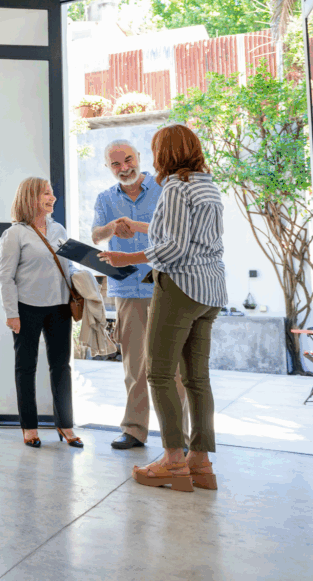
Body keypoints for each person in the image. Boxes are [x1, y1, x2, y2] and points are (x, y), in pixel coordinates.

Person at [100, 124, 226, 492]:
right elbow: (185, 235)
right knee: (197, 379)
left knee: (157, 373)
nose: (153, 158)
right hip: (210, 290)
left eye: (156, 150)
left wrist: (128, 255)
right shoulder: (207, 184)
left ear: (166, 152)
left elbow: (170, 249)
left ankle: (172, 460)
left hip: (180, 287)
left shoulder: (174, 186)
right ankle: (199, 462)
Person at [92, 139, 189, 450]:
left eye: (128, 160)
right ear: (108, 168)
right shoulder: (105, 198)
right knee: (135, 366)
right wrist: (111, 228)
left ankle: (180, 437)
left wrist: (135, 226)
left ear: (138, 158)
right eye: (116, 164)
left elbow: (173, 233)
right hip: (127, 289)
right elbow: (96, 235)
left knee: (173, 367)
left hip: (166, 285)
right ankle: (134, 430)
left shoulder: (163, 189)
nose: (125, 168)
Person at [0, 177, 82, 449]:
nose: (52, 198)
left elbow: (69, 266)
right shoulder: (16, 233)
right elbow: (5, 277)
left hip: (59, 306)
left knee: (62, 367)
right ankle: (29, 428)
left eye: (52, 192)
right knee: (26, 368)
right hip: (27, 308)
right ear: (31, 197)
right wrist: (12, 313)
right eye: (46, 193)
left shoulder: (58, 229)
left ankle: (65, 424)